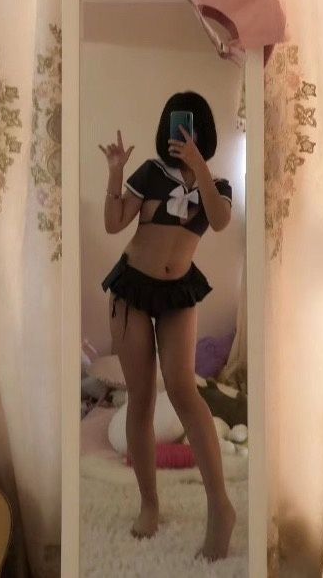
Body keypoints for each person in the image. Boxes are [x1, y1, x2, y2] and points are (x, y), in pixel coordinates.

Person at [98, 91, 237, 562]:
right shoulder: (150, 173)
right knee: (141, 396)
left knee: (183, 389)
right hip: (133, 290)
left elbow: (219, 221)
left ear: (203, 133)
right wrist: (115, 173)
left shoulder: (218, 186)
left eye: (192, 125)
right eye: (178, 124)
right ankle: (149, 503)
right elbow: (114, 223)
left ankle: (220, 506)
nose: (184, 131)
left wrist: (199, 168)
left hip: (178, 292)